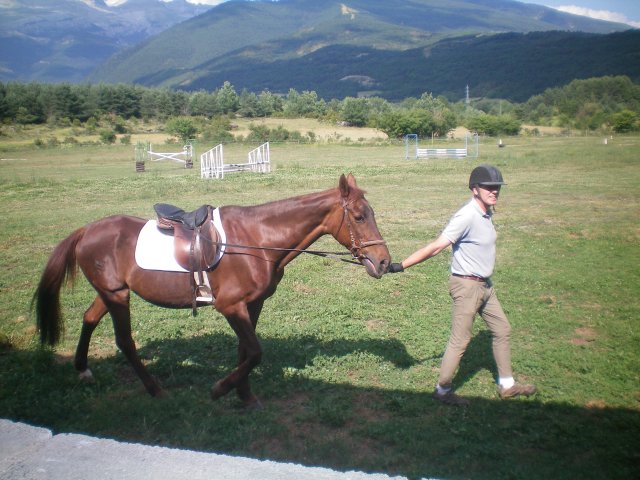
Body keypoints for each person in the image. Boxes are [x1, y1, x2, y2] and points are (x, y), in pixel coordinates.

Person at [387, 164, 536, 405]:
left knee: (502, 330)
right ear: (474, 189)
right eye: (488, 187)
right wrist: (400, 265)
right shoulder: (466, 216)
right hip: (467, 286)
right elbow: (436, 247)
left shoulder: (486, 213)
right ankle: (442, 390)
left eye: (497, 187)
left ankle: (507, 385)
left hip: (485, 286)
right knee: (460, 340)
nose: (494, 191)